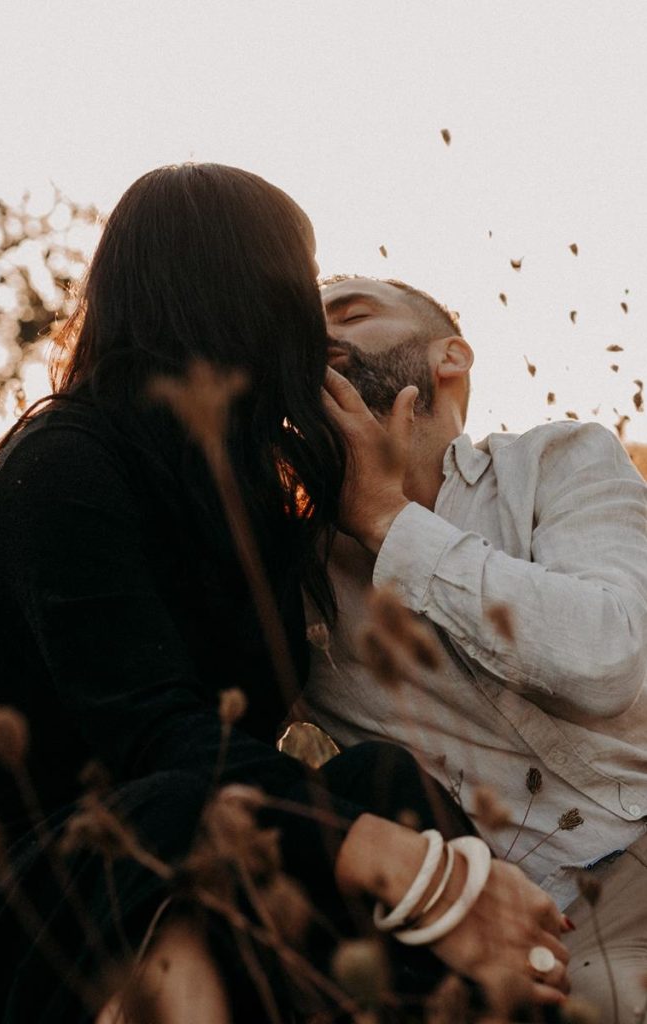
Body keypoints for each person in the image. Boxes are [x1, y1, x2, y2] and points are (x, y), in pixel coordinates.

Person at [0, 168, 569, 1022]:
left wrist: (382, 499)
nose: (309, 313)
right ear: (238, 286)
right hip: (35, 896)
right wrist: (420, 876)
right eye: (299, 273)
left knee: (382, 777)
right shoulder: (61, 470)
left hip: (213, 847)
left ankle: (516, 991)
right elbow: (159, 743)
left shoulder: (238, 494)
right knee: (175, 814)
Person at [300, 273, 647, 1021]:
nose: (320, 336)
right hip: (541, 917)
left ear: (448, 358)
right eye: (304, 328)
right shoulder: (298, 578)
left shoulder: (560, 459)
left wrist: (390, 521)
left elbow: (605, 657)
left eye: (351, 314)